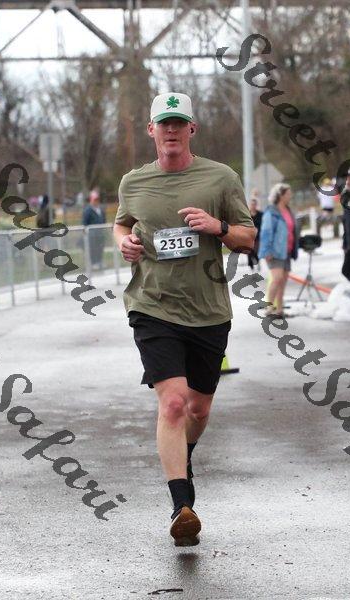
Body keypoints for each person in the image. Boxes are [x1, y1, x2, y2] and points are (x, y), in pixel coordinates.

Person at [113, 92, 256, 547]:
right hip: (152, 306)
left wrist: (218, 227)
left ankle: (185, 454)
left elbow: (248, 238)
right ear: (152, 130)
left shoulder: (220, 177)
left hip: (208, 310)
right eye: (164, 123)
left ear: (192, 128)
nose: (171, 130)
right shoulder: (134, 182)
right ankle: (182, 506)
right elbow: (122, 223)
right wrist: (123, 242)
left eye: (179, 122)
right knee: (173, 404)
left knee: (198, 409)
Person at [258, 183, 298, 317]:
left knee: (283, 281)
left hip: (287, 250)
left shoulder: (288, 210)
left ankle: (279, 309)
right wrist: (267, 250)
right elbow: (266, 232)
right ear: (280, 195)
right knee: (277, 278)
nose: (290, 196)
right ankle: (269, 309)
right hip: (274, 251)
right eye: (288, 193)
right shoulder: (272, 212)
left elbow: (292, 230)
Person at [83, 188, 106, 269]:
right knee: (93, 249)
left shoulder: (100, 209)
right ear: (91, 200)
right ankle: (94, 263)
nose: (96, 201)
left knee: (100, 248)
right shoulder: (88, 210)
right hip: (92, 235)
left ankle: (99, 261)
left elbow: (104, 220)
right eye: (95, 199)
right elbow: (85, 222)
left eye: (97, 199)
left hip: (100, 234)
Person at [247, 192, 263, 270]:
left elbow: (263, 224)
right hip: (249, 236)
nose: (253, 206)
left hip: (258, 235)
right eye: (252, 204)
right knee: (249, 250)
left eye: (254, 204)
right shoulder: (247, 214)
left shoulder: (260, 214)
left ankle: (257, 261)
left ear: (256, 205)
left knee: (256, 250)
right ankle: (251, 264)